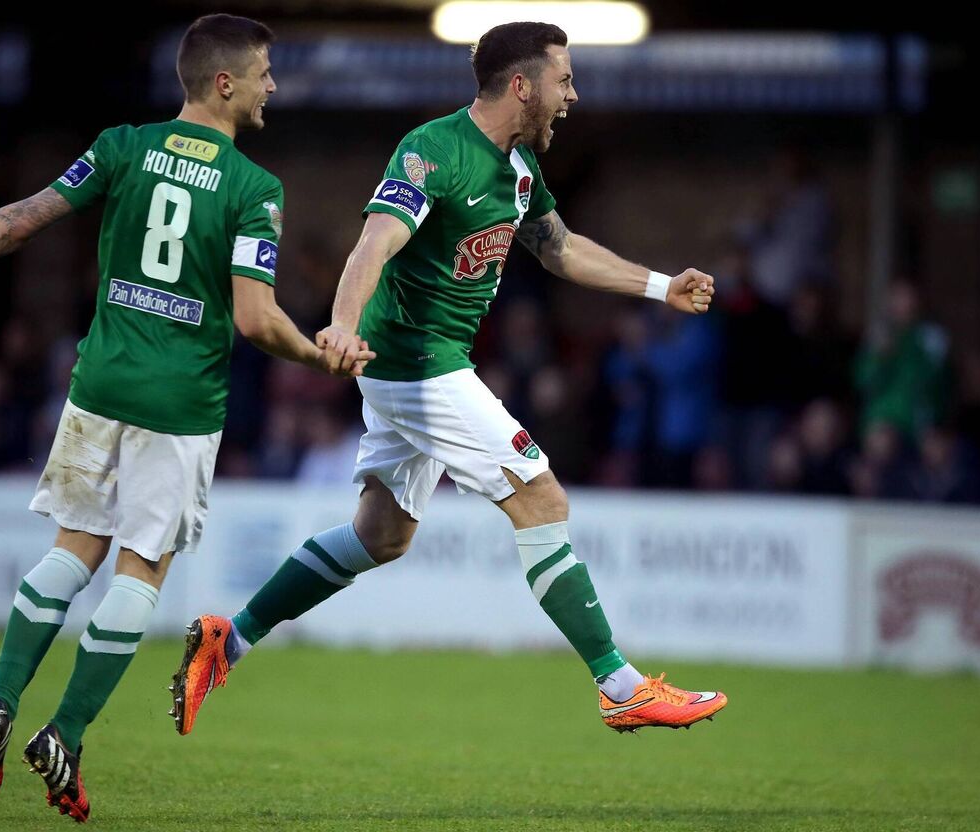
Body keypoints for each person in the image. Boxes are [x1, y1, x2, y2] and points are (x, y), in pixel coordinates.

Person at [0, 13, 372, 823]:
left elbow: (22, 216)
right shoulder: (253, 190)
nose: (275, 84)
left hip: (98, 385)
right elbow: (255, 320)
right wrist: (320, 355)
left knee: (72, 549)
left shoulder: (122, 146)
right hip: (179, 404)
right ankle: (65, 731)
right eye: (266, 71)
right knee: (141, 568)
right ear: (224, 82)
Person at [171, 22, 725, 740]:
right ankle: (619, 685)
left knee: (383, 534)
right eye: (563, 81)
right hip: (417, 362)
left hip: (423, 367)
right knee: (540, 494)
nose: (572, 97)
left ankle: (230, 639)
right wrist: (340, 324)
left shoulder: (519, 166)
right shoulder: (433, 151)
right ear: (522, 86)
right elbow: (375, 242)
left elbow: (558, 248)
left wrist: (659, 286)